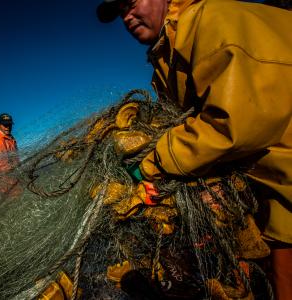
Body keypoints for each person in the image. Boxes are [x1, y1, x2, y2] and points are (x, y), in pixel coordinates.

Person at [97, 0, 292, 299]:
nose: (127, 17)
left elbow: (234, 122)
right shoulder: (166, 56)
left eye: (131, 2)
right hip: (266, 184)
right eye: (120, 11)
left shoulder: (213, 21)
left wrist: (148, 166)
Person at [0, 113, 19, 197]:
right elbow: (1, 166)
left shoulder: (9, 137)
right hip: (4, 180)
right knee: (15, 199)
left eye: (9, 124)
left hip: (14, 174)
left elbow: (15, 157)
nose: (8, 127)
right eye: (5, 124)